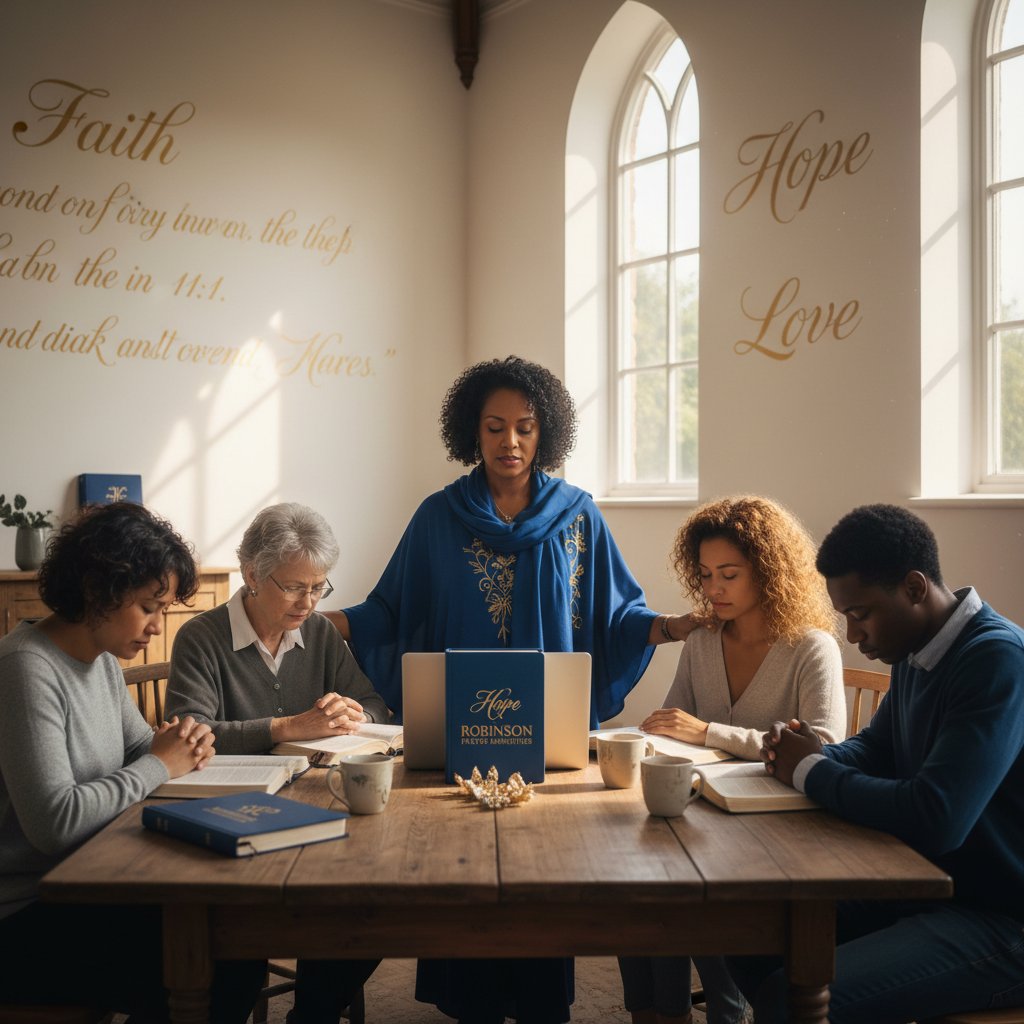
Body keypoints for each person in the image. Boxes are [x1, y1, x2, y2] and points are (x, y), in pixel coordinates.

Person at [329, 355, 687, 1023]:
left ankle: (544, 1003)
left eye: (524, 427)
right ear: (472, 431)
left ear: (545, 431)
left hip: (547, 727)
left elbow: (615, 614)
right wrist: (330, 621)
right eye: (495, 427)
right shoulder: (438, 515)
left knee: (546, 867)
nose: (510, 442)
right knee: (458, 861)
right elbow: (391, 607)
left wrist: (671, 625)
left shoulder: (578, 517)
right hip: (461, 724)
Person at [735, 504, 1024, 1023]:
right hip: (925, 884)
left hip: (999, 916)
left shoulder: (996, 659)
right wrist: (804, 752)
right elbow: (876, 750)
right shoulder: (919, 649)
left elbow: (937, 817)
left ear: (915, 588)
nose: (852, 636)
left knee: (786, 998)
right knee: (747, 932)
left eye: (860, 614)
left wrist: (810, 771)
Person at [0, 501, 266, 1021]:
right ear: (99, 590)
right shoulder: (25, 668)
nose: (156, 625)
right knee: (219, 961)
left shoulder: (96, 660)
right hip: (26, 912)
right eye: (149, 606)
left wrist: (177, 744)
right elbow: (55, 823)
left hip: (93, 878)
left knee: (234, 941)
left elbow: (138, 750)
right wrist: (162, 764)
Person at [619, 496, 846, 1024]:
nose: (712, 589)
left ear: (767, 572)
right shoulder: (702, 639)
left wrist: (709, 733)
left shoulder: (812, 647)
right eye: (704, 575)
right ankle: (658, 1013)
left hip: (776, 826)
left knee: (691, 895)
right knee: (636, 886)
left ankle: (729, 1009)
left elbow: (828, 746)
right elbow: (672, 724)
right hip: (704, 810)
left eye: (728, 574)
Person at [165, 501, 386, 1024]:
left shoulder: (322, 635)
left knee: (373, 907)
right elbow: (186, 737)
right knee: (239, 934)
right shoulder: (201, 638)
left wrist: (352, 711)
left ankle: (311, 1013)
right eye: (293, 587)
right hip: (233, 817)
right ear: (252, 575)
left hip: (321, 805)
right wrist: (287, 728)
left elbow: (376, 704)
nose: (308, 601)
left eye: (318, 587)